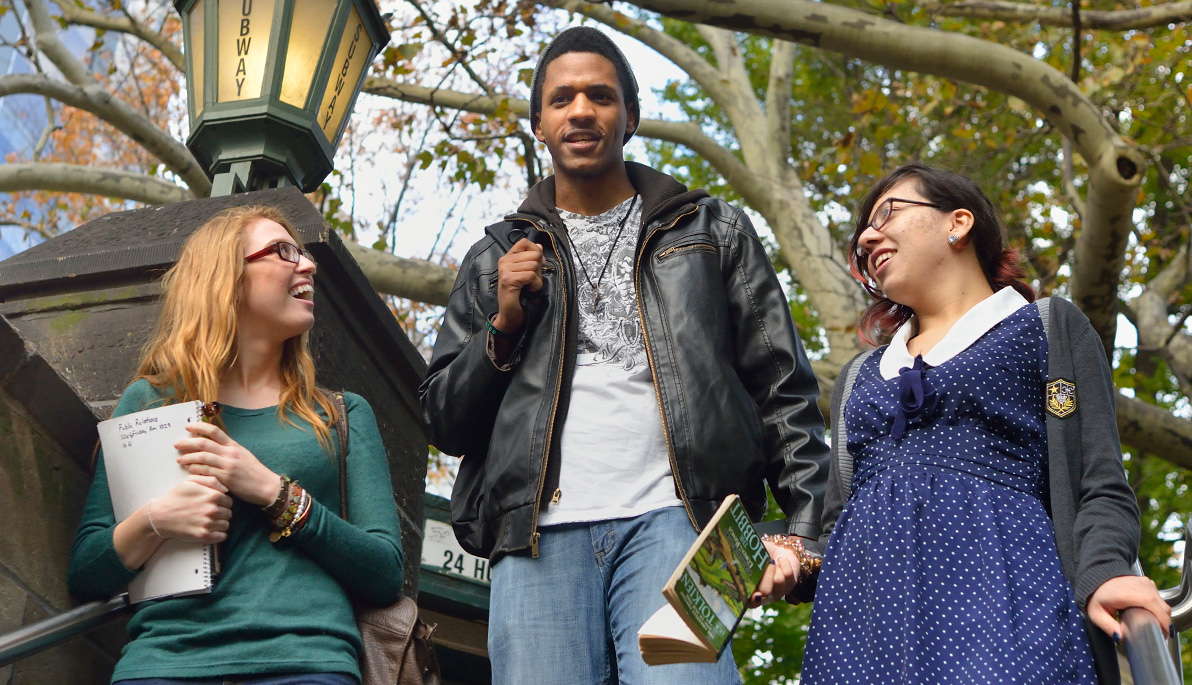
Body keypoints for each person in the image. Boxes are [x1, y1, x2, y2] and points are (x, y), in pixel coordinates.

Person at [418, 25, 830, 684]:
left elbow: (782, 386)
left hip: (687, 525)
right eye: (561, 99)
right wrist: (502, 325)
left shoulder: (710, 231)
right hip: (534, 538)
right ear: (539, 125)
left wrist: (806, 531)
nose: (581, 110)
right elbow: (442, 420)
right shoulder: (495, 257)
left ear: (629, 116)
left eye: (600, 96)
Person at [797, 162, 1172, 684]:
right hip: (860, 627)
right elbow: (837, 523)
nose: (866, 237)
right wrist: (793, 557)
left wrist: (1104, 571)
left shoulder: (1044, 327)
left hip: (1005, 601)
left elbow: (1099, 481)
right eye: (862, 237)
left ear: (959, 222)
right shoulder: (860, 376)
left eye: (887, 212)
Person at [68, 205, 404, 684]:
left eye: (304, 253)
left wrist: (274, 492)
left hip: (306, 665)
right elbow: (86, 571)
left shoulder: (341, 414)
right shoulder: (151, 403)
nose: (308, 264)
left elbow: (386, 571)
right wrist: (157, 520)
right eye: (284, 252)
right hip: (162, 665)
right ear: (226, 278)